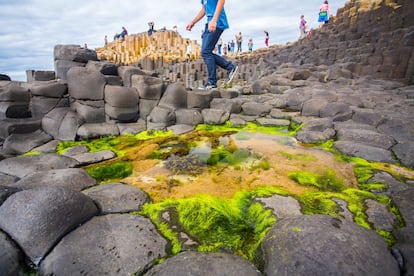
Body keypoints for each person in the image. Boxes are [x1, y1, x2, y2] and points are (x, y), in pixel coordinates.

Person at [186, 0, 238, 89]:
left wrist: (214, 20)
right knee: (206, 52)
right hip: (209, 22)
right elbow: (204, 10)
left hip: (217, 22)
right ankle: (229, 68)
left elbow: (221, 1)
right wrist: (193, 22)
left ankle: (213, 82)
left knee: (206, 52)